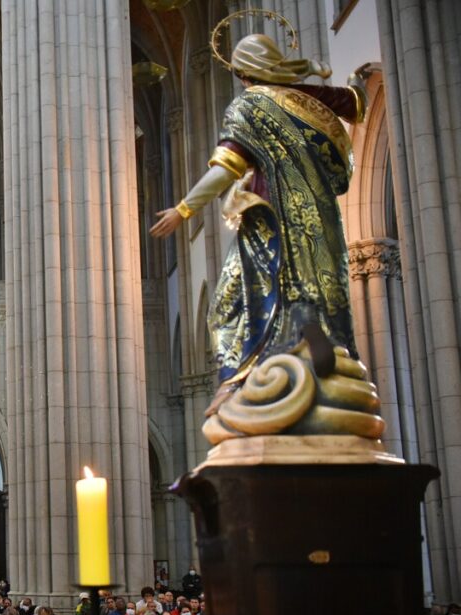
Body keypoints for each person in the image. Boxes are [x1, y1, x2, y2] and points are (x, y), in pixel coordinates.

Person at [150, 33, 369, 411]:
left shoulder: (248, 107)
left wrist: (182, 210)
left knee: (230, 301)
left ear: (244, 74)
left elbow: (225, 170)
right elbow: (354, 104)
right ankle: (315, 343)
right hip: (319, 220)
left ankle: (234, 378)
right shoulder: (303, 97)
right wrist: (356, 80)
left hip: (269, 221)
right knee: (313, 288)